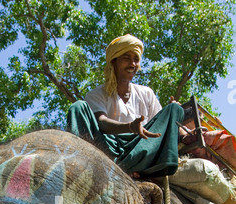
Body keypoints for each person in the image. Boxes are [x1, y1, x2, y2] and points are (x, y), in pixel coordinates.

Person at [67, 34, 185, 178]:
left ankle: (139, 166)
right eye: (126, 58)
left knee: (175, 109)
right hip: (108, 150)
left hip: (140, 147)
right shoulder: (96, 94)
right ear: (114, 62)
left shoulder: (146, 93)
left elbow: (158, 130)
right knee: (78, 107)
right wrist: (130, 127)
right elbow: (101, 122)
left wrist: (178, 124)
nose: (132, 64)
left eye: (136, 59)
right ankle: (84, 163)